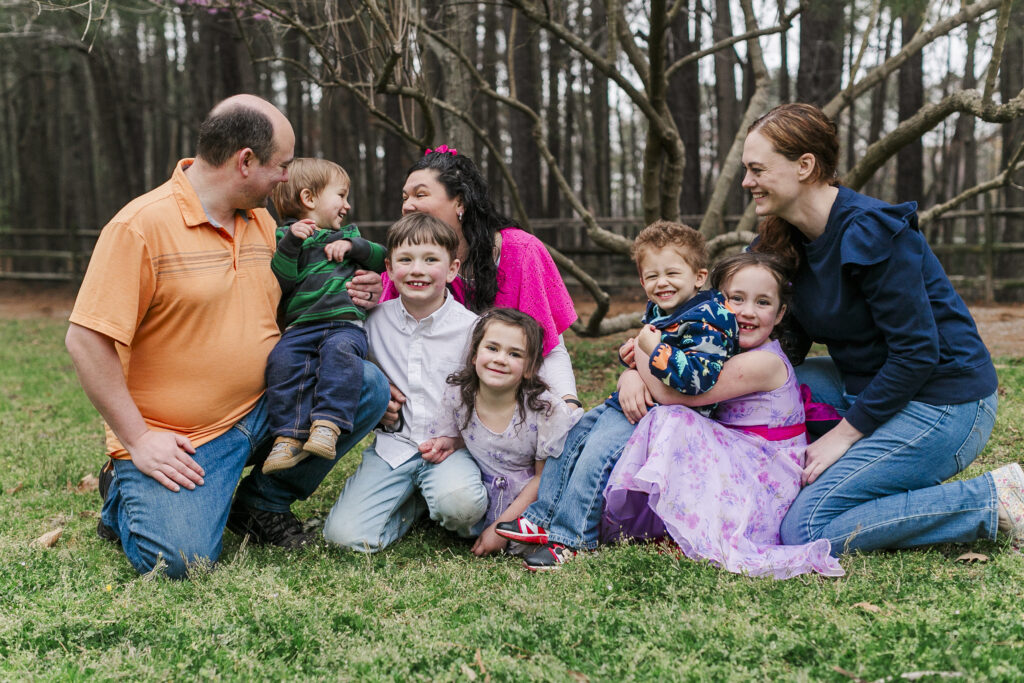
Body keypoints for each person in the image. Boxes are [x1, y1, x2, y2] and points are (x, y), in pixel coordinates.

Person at [66, 95, 388, 578]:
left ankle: (261, 504)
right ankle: (123, 491)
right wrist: (139, 439)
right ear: (245, 161)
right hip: (184, 439)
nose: (286, 178)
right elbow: (85, 340)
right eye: (281, 166)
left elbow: (289, 303)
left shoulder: (262, 223)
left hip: (269, 406)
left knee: (364, 384)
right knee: (180, 561)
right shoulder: (140, 227)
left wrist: (351, 292)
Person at [739, 102, 1023, 554]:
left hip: (944, 400)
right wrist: (660, 355)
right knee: (762, 385)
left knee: (806, 529)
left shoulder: (871, 232)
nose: (746, 182)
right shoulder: (781, 238)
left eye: (757, 169)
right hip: (864, 382)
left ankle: (992, 499)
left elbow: (916, 352)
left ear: (805, 166)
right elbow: (774, 338)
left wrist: (843, 436)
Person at [495, 221, 739, 570]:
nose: (662, 283)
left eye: (672, 272)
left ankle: (571, 539)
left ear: (699, 276)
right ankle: (541, 518)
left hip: (669, 414)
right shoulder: (664, 310)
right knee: (571, 437)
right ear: (642, 281)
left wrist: (650, 351)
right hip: (642, 400)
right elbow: (652, 351)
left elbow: (698, 379)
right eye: (652, 276)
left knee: (596, 453)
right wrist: (635, 357)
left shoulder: (709, 320)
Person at [602, 252, 845, 578]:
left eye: (762, 302)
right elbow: (670, 373)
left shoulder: (764, 362)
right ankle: (674, 525)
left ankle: (696, 534)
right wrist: (631, 374)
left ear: (780, 312)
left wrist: (643, 356)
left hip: (766, 478)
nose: (747, 312)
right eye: (736, 299)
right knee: (674, 421)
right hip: (737, 459)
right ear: (716, 304)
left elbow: (672, 394)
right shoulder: (713, 349)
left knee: (674, 419)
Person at [365, 145, 579, 421]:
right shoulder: (409, 269)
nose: (407, 205)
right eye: (404, 197)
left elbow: (549, 345)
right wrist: (383, 393)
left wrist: (568, 402)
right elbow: (383, 341)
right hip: (437, 417)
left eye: (420, 194)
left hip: (516, 406)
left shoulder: (521, 251)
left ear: (460, 202)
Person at [322, 212, 488, 552]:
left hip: (450, 449)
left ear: (453, 269)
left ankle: (438, 500)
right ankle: (411, 506)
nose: (417, 270)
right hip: (393, 449)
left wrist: (458, 440)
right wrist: (376, 396)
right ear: (389, 267)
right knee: (343, 537)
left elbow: (489, 396)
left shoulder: (473, 329)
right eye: (406, 260)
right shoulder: (371, 322)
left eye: (431, 260)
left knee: (462, 509)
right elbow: (353, 372)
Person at [420, 308, 584, 557]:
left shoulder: (544, 410)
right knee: (459, 508)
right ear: (474, 355)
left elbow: (544, 478)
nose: (500, 359)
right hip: (484, 490)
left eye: (514, 354)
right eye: (492, 348)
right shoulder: (459, 396)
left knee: (528, 543)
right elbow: (474, 438)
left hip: (528, 498)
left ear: (530, 368)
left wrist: (500, 527)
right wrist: (450, 442)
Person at [261, 158, 386, 474]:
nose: (347, 205)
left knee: (340, 356)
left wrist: (353, 245)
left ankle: (327, 425)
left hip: (344, 325)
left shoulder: (347, 235)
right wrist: (290, 245)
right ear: (309, 198)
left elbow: (381, 258)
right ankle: (287, 437)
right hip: (301, 326)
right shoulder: (286, 237)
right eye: (341, 195)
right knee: (283, 362)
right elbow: (285, 279)